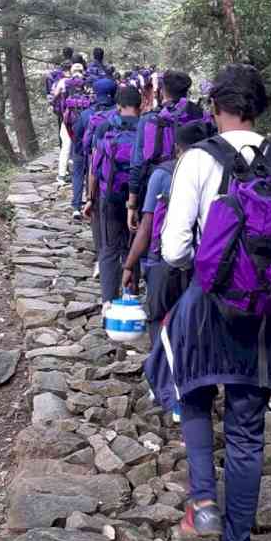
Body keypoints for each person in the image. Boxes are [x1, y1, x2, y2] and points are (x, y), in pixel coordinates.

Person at [144, 64, 271, 541]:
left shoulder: (198, 158)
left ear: (215, 108)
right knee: (247, 430)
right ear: (260, 107)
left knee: (190, 392)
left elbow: (173, 249)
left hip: (208, 302)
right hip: (268, 315)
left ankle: (203, 501)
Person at [120, 121, 212, 344]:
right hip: (205, 260)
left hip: (162, 259)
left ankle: (162, 371)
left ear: (177, 147)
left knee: (158, 316)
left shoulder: (163, 174)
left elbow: (147, 225)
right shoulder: (217, 170)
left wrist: (130, 265)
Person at [126, 70, 205, 232]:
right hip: (196, 182)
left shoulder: (149, 119)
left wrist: (132, 204)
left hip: (156, 184)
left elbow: (137, 163)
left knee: (151, 232)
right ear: (187, 91)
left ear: (162, 91)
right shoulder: (202, 118)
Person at [84, 85, 141, 309]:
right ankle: (131, 299)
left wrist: (90, 198)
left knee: (108, 250)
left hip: (109, 197)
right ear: (141, 105)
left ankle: (108, 303)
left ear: (118, 105)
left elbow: (94, 166)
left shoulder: (105, 127)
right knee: (133, 245)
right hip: (137, 199)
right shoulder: (147, 127)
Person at [72, 78, 118, 224]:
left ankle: (77, 205)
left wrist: (81, 152)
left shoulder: (86, 114)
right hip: (114, 159)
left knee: (79, 172)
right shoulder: (119, 112)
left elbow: (77, 134)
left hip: (91, 156)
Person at [52, 62, 85, 185]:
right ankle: (83, 174)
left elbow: (55, 96)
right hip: (84, 117)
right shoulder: (87, 82)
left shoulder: (63, 82)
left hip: (68, 117)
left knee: (66, 145)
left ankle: (61, 175)